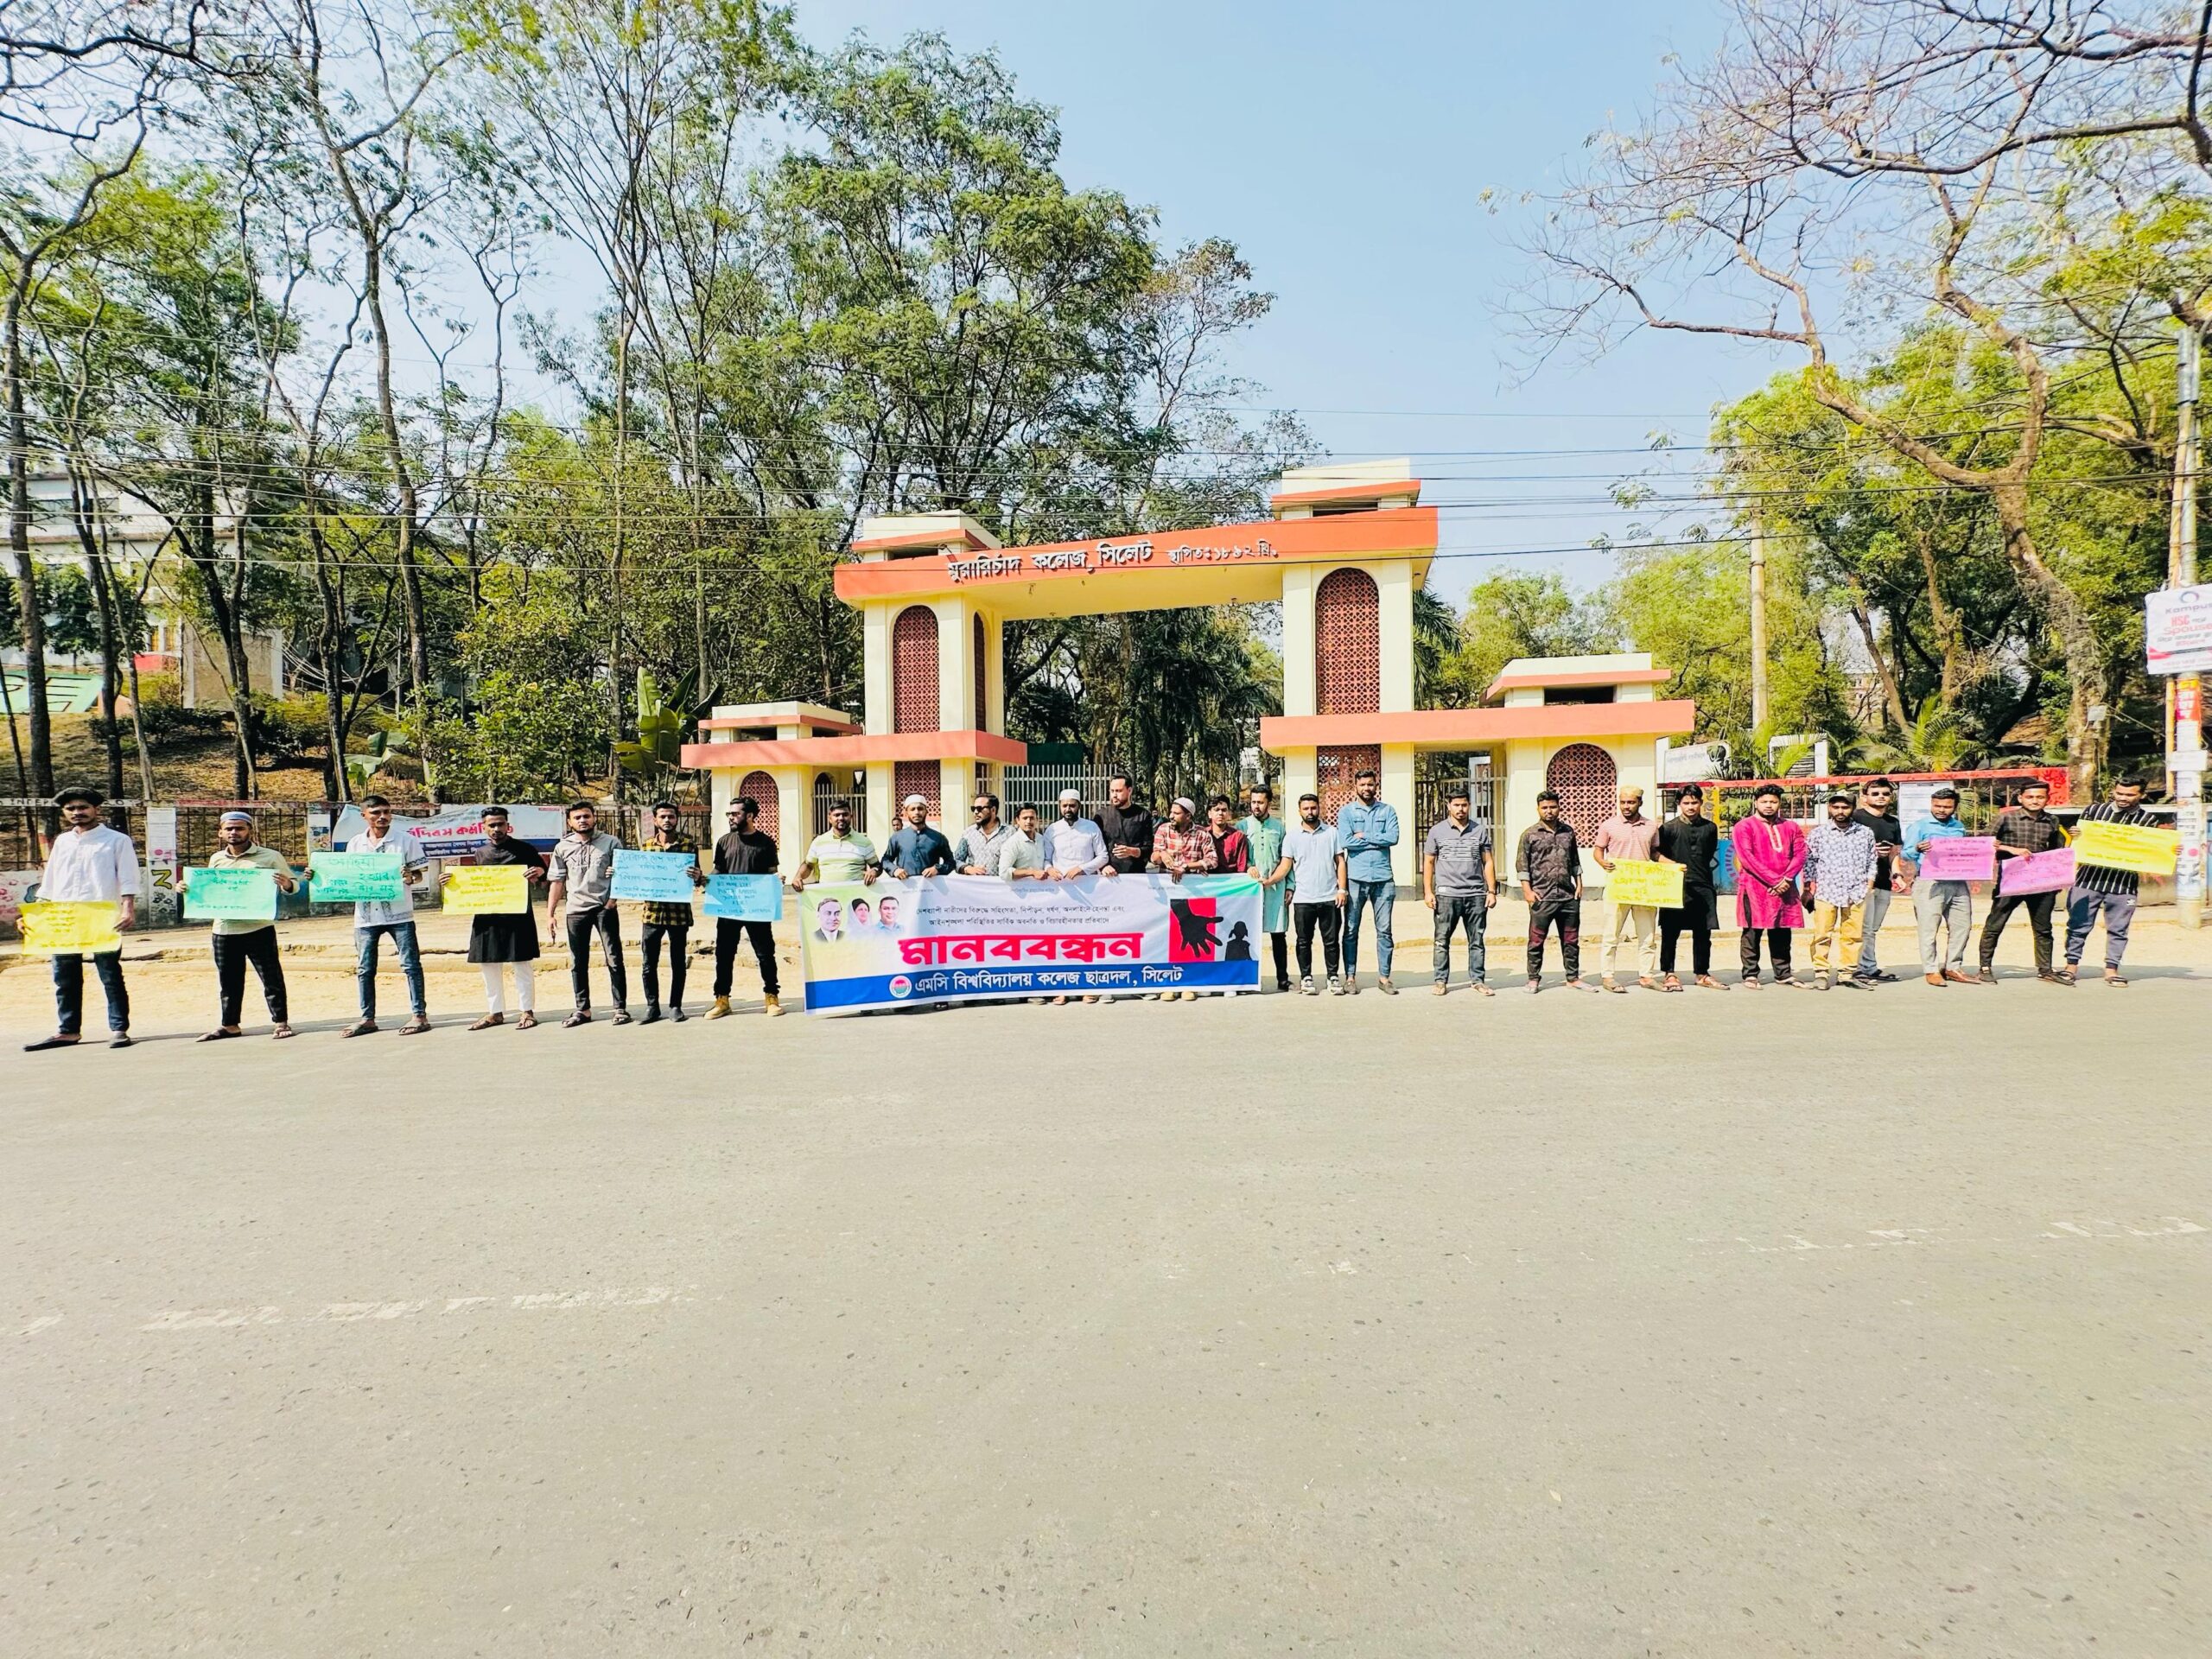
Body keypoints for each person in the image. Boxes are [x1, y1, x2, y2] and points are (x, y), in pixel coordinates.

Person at [23, 785, 139, 1052]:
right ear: (64, 813)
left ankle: (119, 1028)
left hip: (102, 915)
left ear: (96, 810)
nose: (78, 812)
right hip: (64, 917)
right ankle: (68, 1030)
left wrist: (128, 907)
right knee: (64, 974)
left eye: (83, 807)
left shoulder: (116, 840)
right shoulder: (63, 841)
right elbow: (51, 880)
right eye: (71, 809)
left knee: (110, 974)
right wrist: (38, 915)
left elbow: (129, 876)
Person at [187, 810, 300, 1042]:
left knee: (271, 978)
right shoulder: (217, 859)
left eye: (239, 828)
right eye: (229, 829)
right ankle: (230, 1024)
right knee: (228, 980)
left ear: (250, 831)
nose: (234, 833)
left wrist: (287, 883)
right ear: (221, 832)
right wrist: (187, 889)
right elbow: (210, 890)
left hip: (259, 927)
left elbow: (294, 886)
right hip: (224, 929)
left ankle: (280, 1022)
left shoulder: (269, 857)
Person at [343, 793, 431, 1037]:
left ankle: (419, 1015)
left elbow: (419, 876)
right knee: (365, 968)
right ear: (364, 816)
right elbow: (347, 876)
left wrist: (409, 878)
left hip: (400, 914)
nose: (383, 817)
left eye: (386, 812)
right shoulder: (355, 844)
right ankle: (367, 1018)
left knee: (411, 965)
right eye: (376, 813)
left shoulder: (405, 841)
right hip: (366, 915)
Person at [2064, 775, 2156, 986]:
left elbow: (2153, 849)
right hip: (2088, 880)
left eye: (2130, 794)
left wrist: (2170, 850)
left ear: (2141, 795)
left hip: (2123, 884)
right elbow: (2077, 841)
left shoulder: (2148, 820)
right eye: (2119, 793)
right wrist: (2075, 834)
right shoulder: (2094, 811)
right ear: (2113, 791)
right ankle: (2070, 967)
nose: (2123, 798)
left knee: (2119, 928)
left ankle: (2112, 970)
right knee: (2078, 925)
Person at [545, 799, 629, 1027]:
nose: (583, 821)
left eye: (587, 816)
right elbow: (557, 881)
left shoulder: (612, 843)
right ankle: (583, 1010)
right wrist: (550, 913)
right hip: (575, 911)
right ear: (570, 822)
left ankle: (620, 1008)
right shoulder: (562, 847)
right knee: (578, 962)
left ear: (594, 817)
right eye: (578, 818)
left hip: (604, 909)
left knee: (614, 959)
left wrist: (612, 901)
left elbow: (623, 874)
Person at [464, 805, 546, 1030]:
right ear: (484, 827)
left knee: (522, 964)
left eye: (501, 824)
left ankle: (527, 1011)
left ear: (508, 825)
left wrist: (539, 873)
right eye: (492, 825)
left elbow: (543, 873)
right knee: (489, 965)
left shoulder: (524, 849)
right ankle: (495, 1012)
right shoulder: (480, 853)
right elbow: (473, 882)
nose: (497, 828)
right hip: (487, 917)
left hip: (518, 916)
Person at [1978, 780, 2067, 983]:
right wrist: (2011, 850)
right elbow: (1984, 843)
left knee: (2043, 927)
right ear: (2020, 798)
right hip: (2011, 880)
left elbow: (2057, 851)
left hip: (2042, 882)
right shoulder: (2005, 819)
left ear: (2047, 798)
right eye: (2030, 797)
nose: (2035, 801)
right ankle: (1984, 967)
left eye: (2040, 797)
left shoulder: (2052, 821)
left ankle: (2045, 969)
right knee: (1995, 924)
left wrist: (2058, 878)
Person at [709, 796, 783, 1018]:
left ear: (749, 816)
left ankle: (772, 997)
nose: (731, 818)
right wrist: (706, 880)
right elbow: (718, 872)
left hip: (757, 908)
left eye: (736, 814)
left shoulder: (766, 842)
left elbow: (772, 872)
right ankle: (722, 1000)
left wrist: (778, 878)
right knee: (724, 954)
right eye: (729, 814)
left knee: (765, 954)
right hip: (729, 908)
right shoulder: (724, 842)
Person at [1421, 786, 1497, 996]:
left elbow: (1488, 862)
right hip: (1447, 895)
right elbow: (1428, 862)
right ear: (1449, 806)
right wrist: (1428, 892)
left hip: (1475, 894)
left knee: (1477, 940)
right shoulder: (1437, 831)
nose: (1461, 809)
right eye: (1456, 805)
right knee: (1442, 939)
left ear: (1469, 805)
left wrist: (1491, 891)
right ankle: (1440, 980)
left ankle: (1478, 980)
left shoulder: (1479, 830)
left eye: (1464, 804)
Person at [1731, 784, 1806, 988]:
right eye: (1764, 801)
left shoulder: (1791, 827)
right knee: (1752, 931)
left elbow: (1800, 854)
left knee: (1782, 931)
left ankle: (1783, 974)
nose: (1769, 805)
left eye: (1773, 801)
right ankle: (1750, 974)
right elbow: (1746, 858)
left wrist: (1787, 879)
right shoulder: (1744, 826)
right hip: (1754, 887)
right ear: (1756, 802)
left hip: (1786, 886)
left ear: (1780, 803)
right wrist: (1774, 880)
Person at [1802, 790, 1878, 989]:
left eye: (1845, 807)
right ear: (1830, 808)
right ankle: (1821, 973)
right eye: (1836, 807)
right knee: (1822, 934)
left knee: (1852, 935)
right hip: (1826, 892)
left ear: (1853, 808)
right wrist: (1809, 887)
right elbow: (1809, 861)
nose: (1840, 811)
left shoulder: (1865, 833)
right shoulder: (1819, 833)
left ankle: (1846, 973)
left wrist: (1868, 885)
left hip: (1856, 892)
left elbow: (1872, 860)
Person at [1273, 791, 1346, 994]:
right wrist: (1269, 881)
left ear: (1318, 808)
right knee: (1303, 941)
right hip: (1303, 898)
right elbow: (1285, 865)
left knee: (1331, 941)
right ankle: (1306, 977)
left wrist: (1342, 889)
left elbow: (1340, 862)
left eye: (1313, 807)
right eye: (1306, 808)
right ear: (1299, 811)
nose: (1310, 812)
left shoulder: (1331, 833)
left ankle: (1333, 976)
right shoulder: (1292, 837)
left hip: (1329, 897)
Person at [1591, 785, 1662, 992]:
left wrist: (1673, 866)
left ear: (1640, 802)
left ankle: (1647, 976)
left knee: (1647, 934)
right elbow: (1598, 851)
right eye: (1622, 802)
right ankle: (1607, 976)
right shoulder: (1609, 825)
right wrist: (1602, 863)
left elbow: (1655, 854)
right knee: (1611, 934)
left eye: (1631, 802)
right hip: (1618, 887)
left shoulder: (1651, 826)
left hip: (1643, 888)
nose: (1626, 806)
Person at [637, 800, 702, 1024]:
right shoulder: (645, 847)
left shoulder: (688, 846)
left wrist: (697, 876)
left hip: (678, 914)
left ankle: (676, 1006)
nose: (667, 820)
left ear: (677, 819)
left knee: (677, 962)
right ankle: (652, 1006)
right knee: (648, 963)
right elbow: (638, 876)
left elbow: (699, 879)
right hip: (652, 914)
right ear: (655, 820)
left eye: (671, 816)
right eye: (662, 816)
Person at [1516, 789, 1587, 993]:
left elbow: (1575, 860)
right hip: (1542, 896)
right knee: (1536, 940)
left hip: (1567, 895)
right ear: (1538, 809)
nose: (1549, 811)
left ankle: (1572, 977)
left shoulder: (1568, 832)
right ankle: (1533, 978)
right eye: (1545, 807)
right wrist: (1528, 892)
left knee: (1571, 940)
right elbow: (1522, 865)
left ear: (1559, 807)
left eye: (1553, 807)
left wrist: (1579, 883)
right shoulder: (1530, 835)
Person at [1336, 769, 1401, 994]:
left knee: (1384, 930)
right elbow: (1346, 841)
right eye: (1362, 784)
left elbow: (1393, 838)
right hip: (1356, 879)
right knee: (1351, 929)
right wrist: (1376, 841)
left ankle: (1384, 978)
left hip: (1384, 879)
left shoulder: (1387, 810)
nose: (1366, 788)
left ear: (1376, 786)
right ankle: (1350, 977)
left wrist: (1364, 836)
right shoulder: (1346, 813)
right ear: (1355, 786)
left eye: (1370, 784)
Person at [1147, 798, 1218, 1000]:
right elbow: (1153, 857)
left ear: (1188, 816)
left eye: (1176, 813)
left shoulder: (1202, 834)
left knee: (1188, 937)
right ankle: (1167, 984)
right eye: (1171, 812)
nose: (1171, 816)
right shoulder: (1163, 829)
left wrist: (1188, 867)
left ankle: (1189, 983)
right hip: (1167, 893)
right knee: (1165, 937)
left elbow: (1212, 860)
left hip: (1192, 894)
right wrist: (1163, 855)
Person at [1904, 785, 1974, 985]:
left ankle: (1953, 967)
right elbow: (1906, 854)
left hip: (1958, 881)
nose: (1941, 810)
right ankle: (1931, 970)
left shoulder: (1958, 827)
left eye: (1947, 806)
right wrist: (1918, 848)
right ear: (1931, 804)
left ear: (1955, 807)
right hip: (1929, 881)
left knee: (1962, 926)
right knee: (1929, 928)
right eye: (1937, 806)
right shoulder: (1920, 826)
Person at [1655, 786, 1722, 991]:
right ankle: (1669, 973)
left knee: (1703, 933)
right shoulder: (1668, 829)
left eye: (1694, 802)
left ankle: (1702, 973)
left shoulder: (1710, 828)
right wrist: (1674, 867)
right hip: (1675, 887)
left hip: (1703, 885)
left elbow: (1709, 853)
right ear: (1679, 804)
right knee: (1670, 932)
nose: (1690, 807)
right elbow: (1657, 855)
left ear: (1701, 803)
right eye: (1686, 803)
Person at [1848, 778, 1904, 984]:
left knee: (1872, 928)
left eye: (1885, 794)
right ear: (1864, 797)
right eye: (1876, 793)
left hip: (1883, 881)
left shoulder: (1893, 822)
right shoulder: (1855, 818)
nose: (1881, 797)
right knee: (1863, 927)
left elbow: (1894, 852)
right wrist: (1870, 851)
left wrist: (1896, 874)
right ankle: (1859, 968)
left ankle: (1868, 967)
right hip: (1862, 881)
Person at [1236, 785, 1292, 992]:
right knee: (1248, 934)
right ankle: (1247, 979)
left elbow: (1287, 858)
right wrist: (1248, 866)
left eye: (1260, 802)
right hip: (1249, 889)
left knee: (1278, 935)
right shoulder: (1242, 826)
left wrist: (1290, 886)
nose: (1256, 806)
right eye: (1253, 802)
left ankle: (1283, 979)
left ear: (1269, 803)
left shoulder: (1279, 827)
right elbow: (1238, 857)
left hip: (1275, 888)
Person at [798, 802, 880, 887]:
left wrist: (874, 871)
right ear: (829, 819)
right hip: (828, 896)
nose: (841, 818)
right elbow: (808, 865)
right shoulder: (818, 842)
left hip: (855, 895)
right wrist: (798, 877)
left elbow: (877, 866)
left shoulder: (864, 842)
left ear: (851, 817)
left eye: (845, 814)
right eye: (837, 815)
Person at [1094, 772, 1157, 875]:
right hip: (1107, 876)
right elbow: (1095, 848)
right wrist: (1103, 866)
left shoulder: (1143, 815)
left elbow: (1149, 848)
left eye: (1118, 791)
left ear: (1129, 791)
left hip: (1136, 876)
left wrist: (1132, 851)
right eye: (1112, 791)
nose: (1114, 795)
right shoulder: (1101, 816)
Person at [1040, 788, 1110, 880]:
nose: (1068, 809)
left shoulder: (1091, 827)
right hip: (1060, 883)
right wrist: (1049, 869)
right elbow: (1046, 859)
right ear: (1060, 806)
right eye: (1064, 806)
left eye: (1072, 806)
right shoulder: (1052, 829)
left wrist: (1081, 869)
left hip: (1088, 882)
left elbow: (1103, 856)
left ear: (1079, 806)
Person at [881, 794, 956, 879]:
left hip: (932, 889)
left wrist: (937, 869)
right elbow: (885, 860)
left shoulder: (938, 838)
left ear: (926, 811)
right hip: (905, 888)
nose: (916, 812)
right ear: (906, 813)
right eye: (912, 809)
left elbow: (951, 862)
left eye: (920, 809)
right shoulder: (897, 838)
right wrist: (895, 870)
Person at [957, 791, 1014, 876]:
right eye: (974, 809)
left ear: (993, 810)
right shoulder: (968, 833)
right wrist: (968, 869)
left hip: (1001, 886)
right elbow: (957, 860)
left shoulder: (1010, 833)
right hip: (974, 886)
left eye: (980, 808)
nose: (976, 812)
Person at [998, 804, 1050, 880]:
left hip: (1043, 889)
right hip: (1021, 890)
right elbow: (1004, 872)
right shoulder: (1012, 843)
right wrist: (1031, 872)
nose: (1028, 821)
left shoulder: (1041, 839)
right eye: (1025, 818)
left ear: (1037, 820)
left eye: (1032, 818)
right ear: (1018, 820)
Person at [1205, 796, 1250, 874]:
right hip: (1205, 882)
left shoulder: (1238, 837)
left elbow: (1241, 868)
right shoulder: (1202, 835)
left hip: (1231, 883)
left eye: (1224, 810)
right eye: (1216, 810)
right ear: (1209, 814)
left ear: (1229, 814)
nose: (1220, 813)